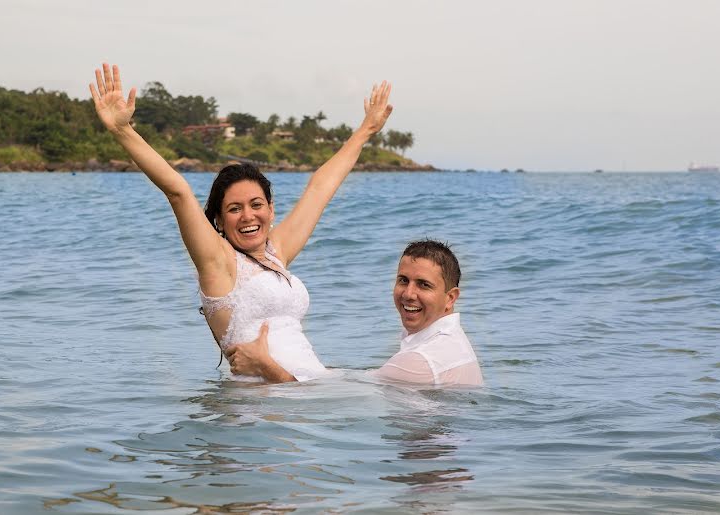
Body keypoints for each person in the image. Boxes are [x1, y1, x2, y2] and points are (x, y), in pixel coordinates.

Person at [89, 63, 393, 381]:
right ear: (218, 220)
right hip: (258, 408)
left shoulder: (276, 253)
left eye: (256, 205)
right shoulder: (218, 263)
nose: (248, 215)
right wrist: (122, 131)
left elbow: (319, 188)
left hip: (305, 390)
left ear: (271, 211)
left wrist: (366, 131)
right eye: (235, 209)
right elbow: (178, 191)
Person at [226, 240, 483, 386]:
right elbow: (359, 380)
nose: (408, 293)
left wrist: (264, 366)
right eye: (403, 280)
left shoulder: (423, 359)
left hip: (429, 457)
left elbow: (316, 402)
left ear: (450, 298)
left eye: (423, 285)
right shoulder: (447, 341)